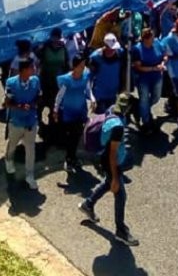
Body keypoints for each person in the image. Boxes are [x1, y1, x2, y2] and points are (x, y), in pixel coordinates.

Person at [78, 94, 139, 247]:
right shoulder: (117, 127)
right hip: (111, 161)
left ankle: (88, 204)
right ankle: (121, 230)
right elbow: (112, 153)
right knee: (120, 195)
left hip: (108, 158)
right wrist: (116, 177)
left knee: (108, 183)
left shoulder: (111, 110)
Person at [4, 55, 41, 190]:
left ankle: (30, 175)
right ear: (23, 70)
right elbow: (7, 103)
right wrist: (20, 106)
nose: (34, 69)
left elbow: (38, 97)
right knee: (12, 145)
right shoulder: (11, 83)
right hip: (16, 122)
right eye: (31, 67)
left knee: (30, 149)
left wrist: (33, 104)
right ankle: (8, 159)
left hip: (31, 121)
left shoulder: (36, 80)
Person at [53, 55, 92, 172]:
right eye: (80, 65)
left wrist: (93, 99)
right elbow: (60, 96)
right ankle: (69, 159)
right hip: (68, 112)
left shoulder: (85, 76)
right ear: (74, 67)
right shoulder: (67, 80)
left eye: (84, 65)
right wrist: (55, 109)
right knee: (71, 137)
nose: (83, 67)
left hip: (80, 111)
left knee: (77, 136)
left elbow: (88, 90)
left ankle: (72, 157)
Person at [130, 28, 165, 133]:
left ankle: (140, 109)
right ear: (145, 39)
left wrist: (163, 63)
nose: (153, 39)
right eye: (150, 38)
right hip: (143, 78)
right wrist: (154, 68)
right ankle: (146, 121)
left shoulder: (157, 43)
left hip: (157, 76)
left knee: (156, 97)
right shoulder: (137, 49)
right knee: (144, 99)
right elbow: (138, 67)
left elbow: (164, 55)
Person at [88, 34, 124, 114]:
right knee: (101, 118)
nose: (113, 50)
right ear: (105, 46)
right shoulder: (95, 58)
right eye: (111, 48)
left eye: (114, 48)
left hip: (113, 94)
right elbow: (89, 78)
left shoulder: (120, 53)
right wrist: (91, 96)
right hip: (100, 96)